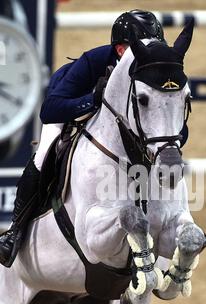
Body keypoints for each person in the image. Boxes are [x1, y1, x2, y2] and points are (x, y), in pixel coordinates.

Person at [0, 10, 165, 267]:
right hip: (70, 109)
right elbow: (50, 109)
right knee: (44, 155)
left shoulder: (155, 70)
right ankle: (14, 232)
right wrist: (93, 99)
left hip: (114, 124)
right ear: (121, 50)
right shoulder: (93, 61)